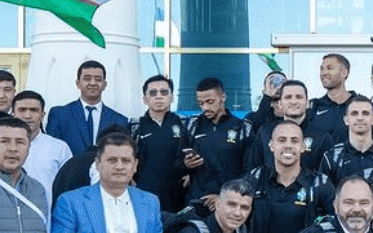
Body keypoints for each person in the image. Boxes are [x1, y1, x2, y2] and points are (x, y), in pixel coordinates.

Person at [183, 77, 254, 208]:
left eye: (210, 102)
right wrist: (185, 164)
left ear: (223, 97)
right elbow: (177, 161)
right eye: (201, 103)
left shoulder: (242, 129)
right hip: (197, 202)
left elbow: (248, 171)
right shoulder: (192, 126)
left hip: (229, 205)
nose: (205, 107)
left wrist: (224, 196)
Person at [129, 75, 189, 211]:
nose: (158, 97)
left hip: (177, 196)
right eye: (153, 93)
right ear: (145, 99)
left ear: (172, 97)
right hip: (144, 194)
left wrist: (192, 174)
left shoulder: (185, 124)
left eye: (164, 92)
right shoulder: (135, 126)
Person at [46, 60, 129, 156]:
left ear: (104, 85)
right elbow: (51, 150)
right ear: (78, 83)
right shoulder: (60, 115)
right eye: (87, 78)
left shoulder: (119, 120)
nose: (93, 83)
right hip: (69, 170)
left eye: (98, 79)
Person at [247, 79, 328, 175]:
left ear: (307, 103)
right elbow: (253, 169)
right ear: (280, 103)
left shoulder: (322, 137)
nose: (293, 101)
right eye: (288, 97)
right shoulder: (265, 132)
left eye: (299, 97)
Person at [10, 91, 71, 204]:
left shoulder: (59, 148)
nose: (27, 116)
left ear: (43, 115)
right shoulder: (1, 147)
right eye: (22, 110)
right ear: (13, 114)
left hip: (48, 217)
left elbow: (68, 188)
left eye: (34, 110)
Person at [323, 95, 373, 185]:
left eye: (365, 113)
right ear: (346, 120)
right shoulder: (332, 157)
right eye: (354, 113)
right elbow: (326, 195)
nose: (360, 118)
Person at [309, 52, 357, 142]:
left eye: (329, 68)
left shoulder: (360, 105)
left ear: (344, 72)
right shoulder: (314, 106)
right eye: (321, 69)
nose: (324, 73)